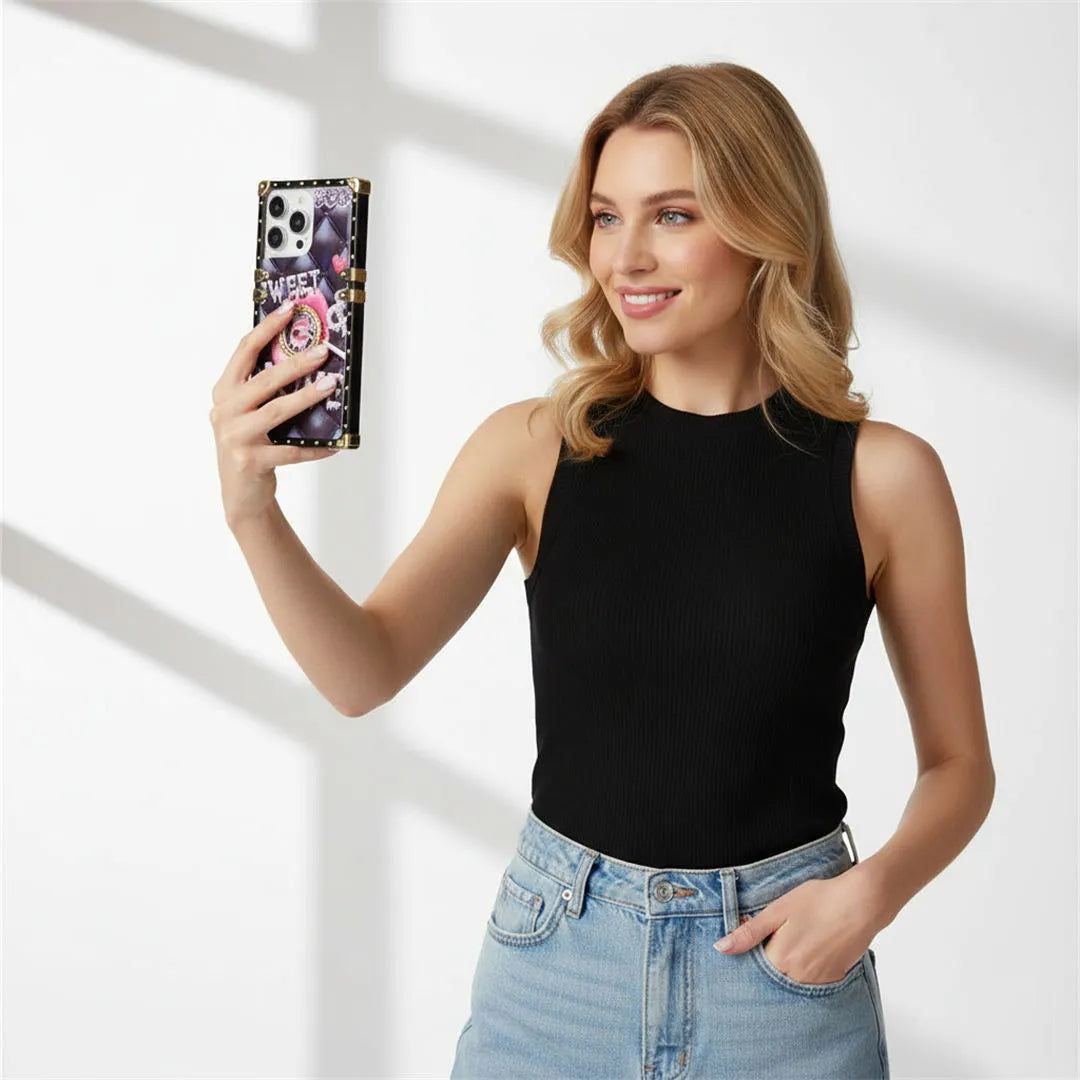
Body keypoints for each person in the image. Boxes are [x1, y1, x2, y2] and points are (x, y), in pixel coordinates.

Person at [212, 61, 995, 1080]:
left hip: (781, 979)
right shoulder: (533, 448)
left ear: (767, 226)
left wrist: (870, 894)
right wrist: (252, 509)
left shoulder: (884, 477)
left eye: (673, 215)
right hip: (556, 974)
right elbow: (362, 672)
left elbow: (960, 768)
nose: (626, 257)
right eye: (606, 217)